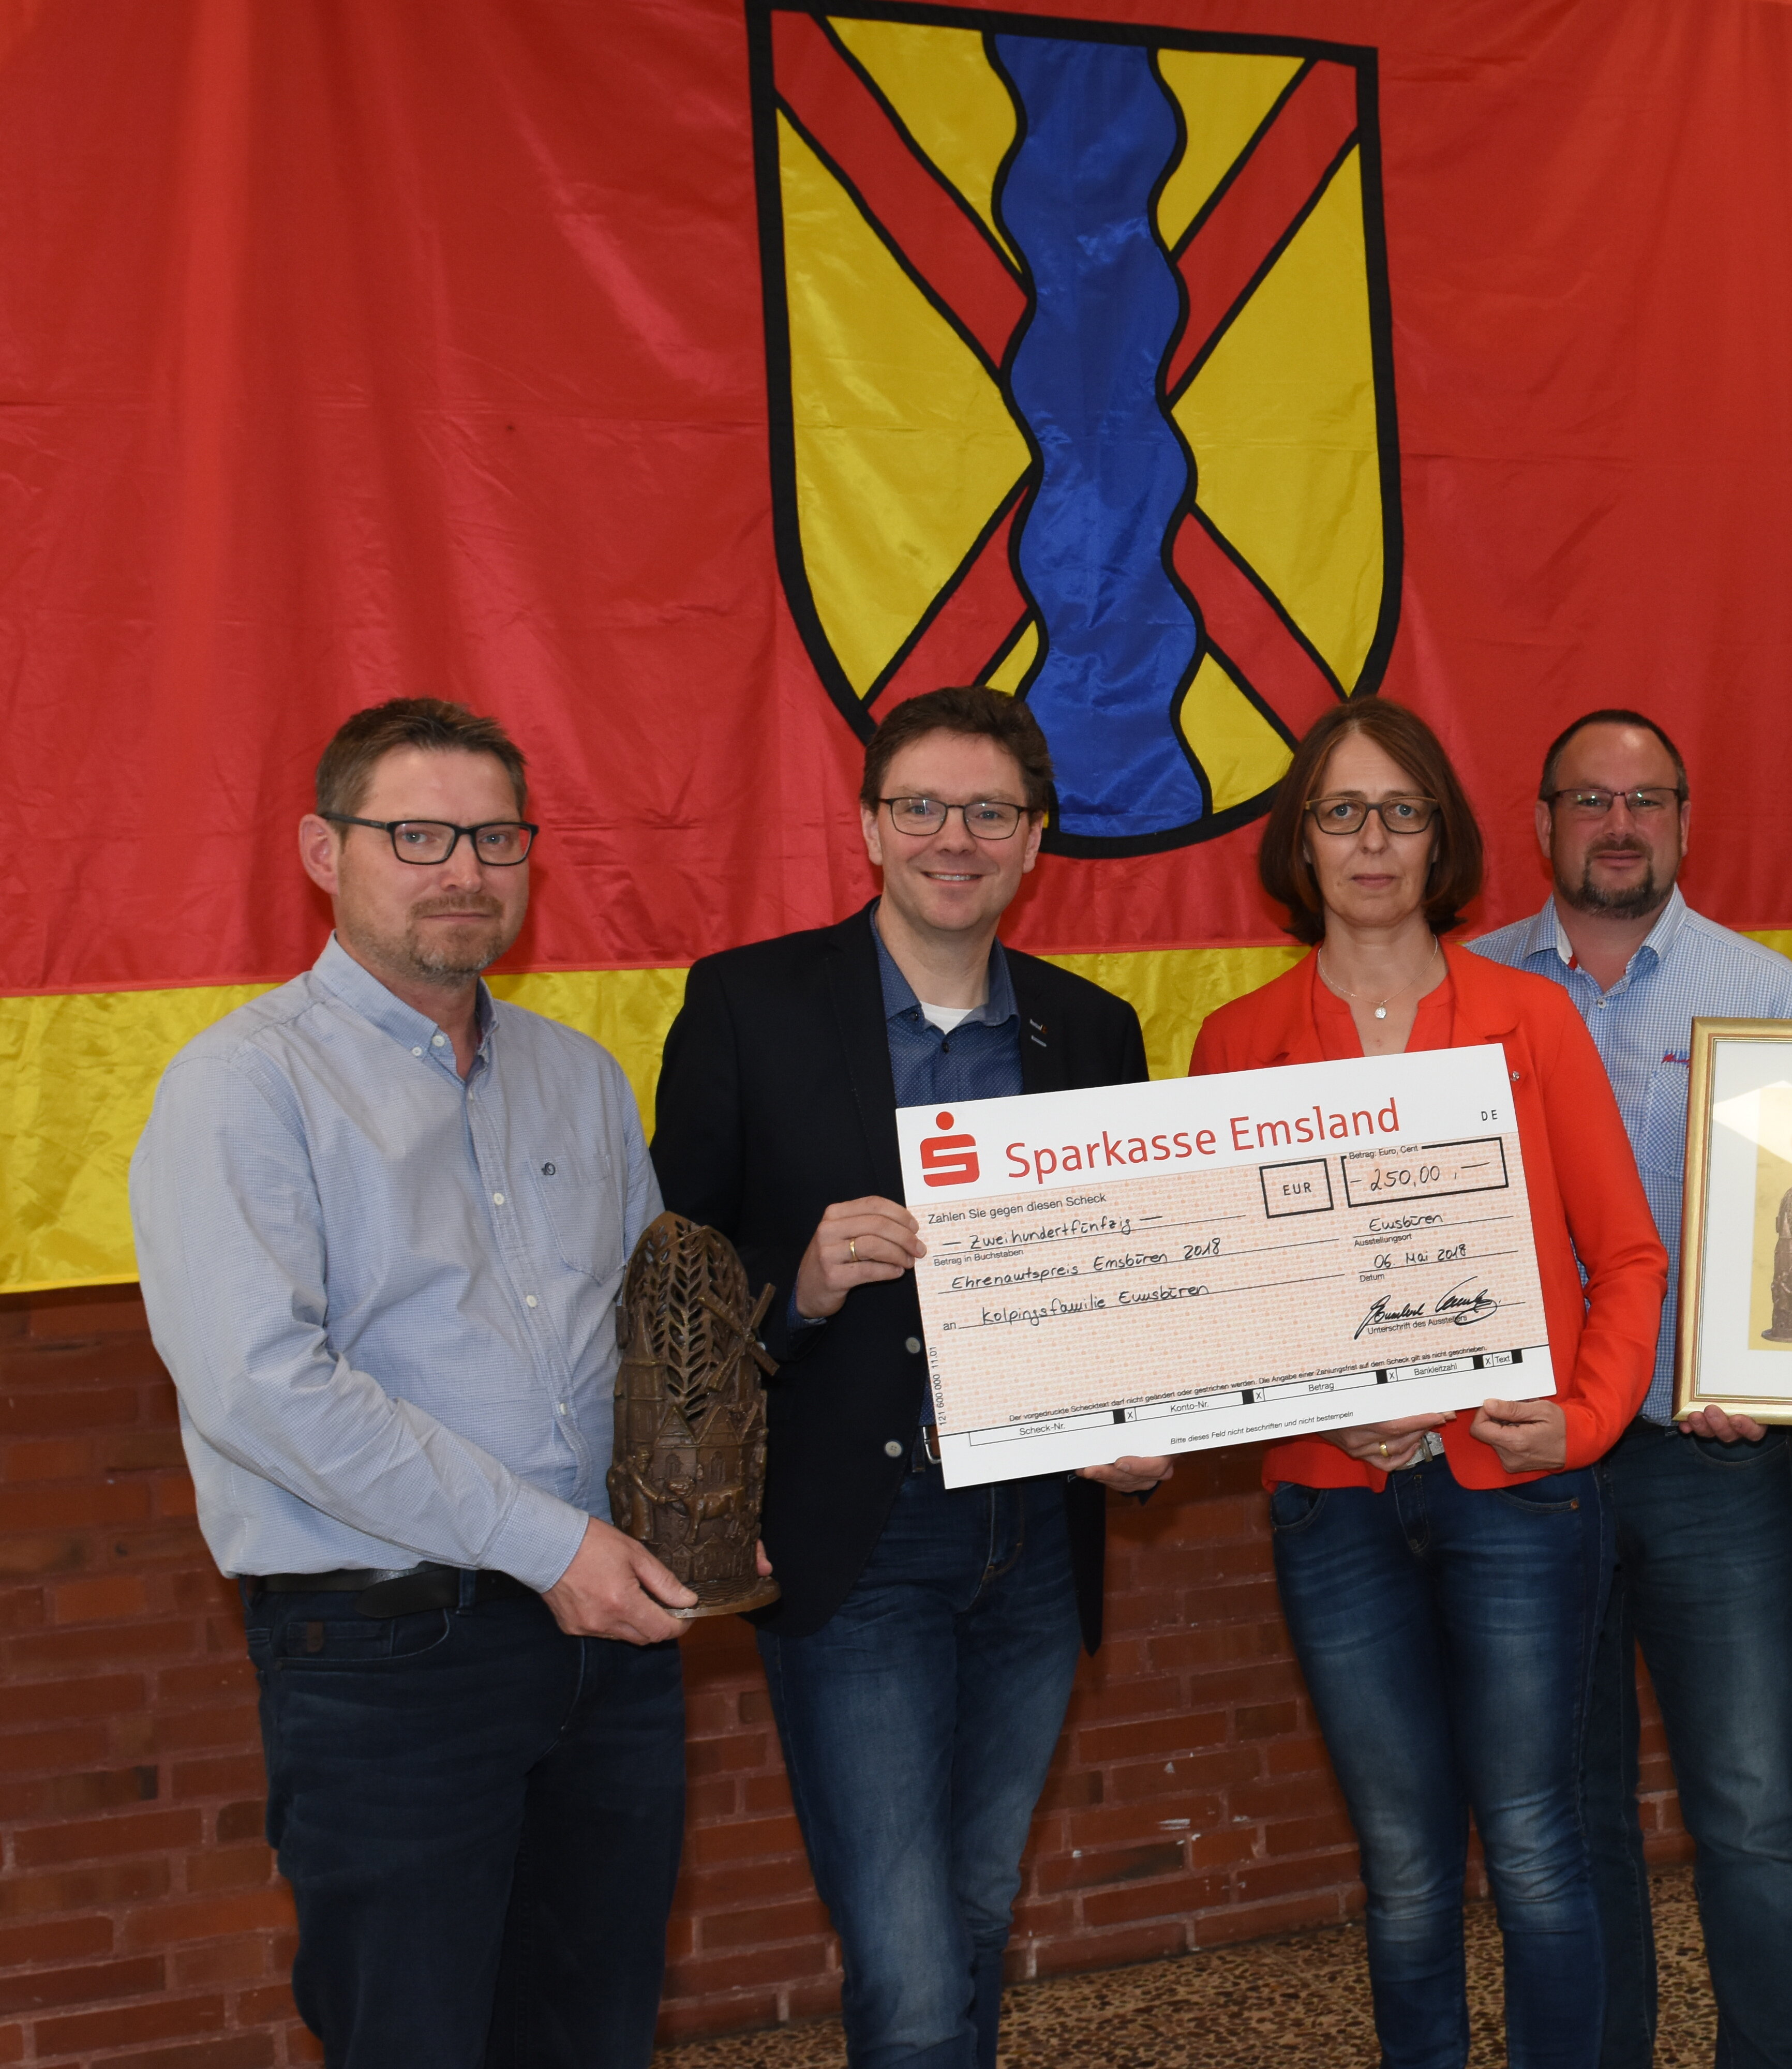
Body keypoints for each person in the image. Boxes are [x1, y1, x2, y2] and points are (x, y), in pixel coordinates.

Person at [128, 698, 689, 2067]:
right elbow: (264, 1385)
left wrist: (704, 1506)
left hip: (607, 1646)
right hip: (390, 1661)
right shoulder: (242, 1087)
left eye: (496, 837)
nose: (464, 871)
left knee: (594, 2035)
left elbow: (651, 1339)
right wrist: (548, 1544)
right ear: (325, 852)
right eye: (419, 835)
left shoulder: (580, 1078)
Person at [650, 687, 1168, 2069]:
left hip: (1036, 1535)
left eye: (990, 812)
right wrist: (801, 1284)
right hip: (857, 1537)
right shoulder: (749, 1005)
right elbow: (672, 1283)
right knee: (908, 1955)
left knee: (978, 1905)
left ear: (1036, 841)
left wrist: (1146, 1415)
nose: (956, 838)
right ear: (872, 828)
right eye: (922, 807)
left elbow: (1131, 1276)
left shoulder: (1091, 1029)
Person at [1189, 699, 1665, 2069]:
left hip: (1518, 1490)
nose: (1372, 842)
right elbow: (1221, 1310)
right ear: (1301, 841)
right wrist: (1316, 1406)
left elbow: (1630, 1256)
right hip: (1331, 1507)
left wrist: (1584, 1422)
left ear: (1440, 837)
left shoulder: (1531, 1019)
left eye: (1401, 813)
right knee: (1404, 1869)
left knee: (1536, 1847)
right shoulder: (1239, 1042)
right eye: (1342, 813)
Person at [1467, 708, 1792, 2069]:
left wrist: (1785, 1373)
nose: (1618, 825)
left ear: (1685, 822)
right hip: (1524, 1466)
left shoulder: (1772, 998)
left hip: (1707, 1459)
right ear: (1542, 823)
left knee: (1753, 1811)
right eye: (1589, 799)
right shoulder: (1466, 995)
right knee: (1565, 1819)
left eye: (1646, 801)